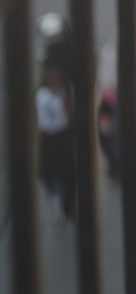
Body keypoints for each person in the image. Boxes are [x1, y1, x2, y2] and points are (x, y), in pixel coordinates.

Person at [35, 64, 76, 220]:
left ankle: (67, 207)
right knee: (49, 173)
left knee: (65, 172)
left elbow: (66, 115)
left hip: (61, 136)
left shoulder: (62, 94)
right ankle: (60, 200)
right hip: (49, 137)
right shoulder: (43, 94)